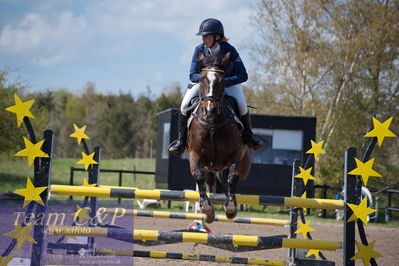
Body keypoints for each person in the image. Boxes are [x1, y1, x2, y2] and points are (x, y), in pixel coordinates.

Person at [168, 18, 261, 155]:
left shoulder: (230, 50)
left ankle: (249, 137)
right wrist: (208, 80)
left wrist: (224, 81)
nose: (203, 39)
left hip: (227, 84)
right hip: (204, 85)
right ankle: (181, 142)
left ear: (217, 36)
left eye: (206, 35)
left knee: (241, 105)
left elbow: (243, 75)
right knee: (184, 105)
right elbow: (192, 75)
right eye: (202, 36)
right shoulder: (199, 50)